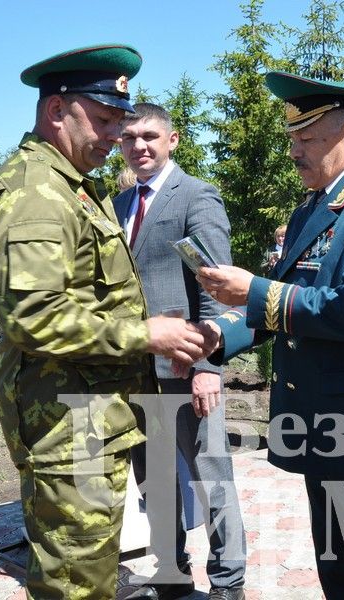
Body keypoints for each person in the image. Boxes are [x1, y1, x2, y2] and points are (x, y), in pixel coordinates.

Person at [0, 44, 214, 600]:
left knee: (92, 573)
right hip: (65, 425)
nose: (115, 138)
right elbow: (31, 316)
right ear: (57, 110)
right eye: (104, 121)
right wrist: (144, 334)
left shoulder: (71, 185)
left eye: (120, 122)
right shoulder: (35, 194)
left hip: (89, 417)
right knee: (76, 582)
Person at [195, 72, 344, 600]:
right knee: (340, 567)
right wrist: (219, 334)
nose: (294, 152)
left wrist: (252, 289)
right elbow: (286, 305)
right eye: (292, 140)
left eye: (308, 140)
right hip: (319, 422)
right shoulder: (313, 206)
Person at [114, 102, 246, 600]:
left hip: (188, 365)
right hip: (137, 371)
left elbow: (215, 287)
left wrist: (209, 365)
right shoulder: (119, 206)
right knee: (155, 477)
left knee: (210, 475)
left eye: (149, 135)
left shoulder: (196, 196)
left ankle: (227, 583)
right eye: (128, 138)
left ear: (172, 140)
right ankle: (171, 573)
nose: (138, 146)